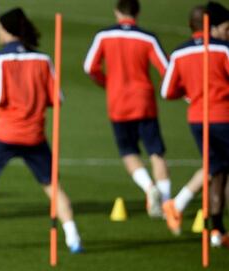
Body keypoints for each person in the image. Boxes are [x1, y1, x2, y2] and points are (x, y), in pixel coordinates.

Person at [0, 7, 83, 253]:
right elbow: (57, 99)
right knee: (53, 188)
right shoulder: (43, 59)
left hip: (5, 133)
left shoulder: (0, 58)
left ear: (7, 30)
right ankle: (73, 236)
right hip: (34, 135)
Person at [83, 0, 170, 217]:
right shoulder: (147, 38)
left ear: (116, 12)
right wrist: (161, 89)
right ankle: (168, 204)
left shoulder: (104, 36)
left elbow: (89, 67)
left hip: (118, 103)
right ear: (138, 13)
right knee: (156, 152)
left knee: (129, 152)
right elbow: (167, 69)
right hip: (144, 102)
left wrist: (106, 82)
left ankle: (149, 189)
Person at [161, 5, 229, 246]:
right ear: (212, 26)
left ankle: (217, 231)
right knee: (217, 170)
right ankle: (188, 210)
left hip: (197, 120)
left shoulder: (180, 52)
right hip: (223, 117)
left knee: (217, 171)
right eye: (226, 28)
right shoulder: (224, 50)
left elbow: (167, 91)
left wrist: (193, 93)